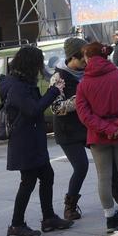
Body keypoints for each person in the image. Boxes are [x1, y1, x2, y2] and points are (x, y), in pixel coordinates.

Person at [0, 46, 74, 236]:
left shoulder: (23, 82)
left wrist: (52, 90)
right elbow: (33, 110)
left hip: (32, 140)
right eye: (38, 63)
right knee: (28, 182)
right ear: (31, 64)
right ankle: (16, 225)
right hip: (25, 143)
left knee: (47, 176)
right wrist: (53, 91)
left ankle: (48, 217)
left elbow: (35, 106)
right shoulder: (16, 86)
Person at [75, 42, 118, 233]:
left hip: (98, 136)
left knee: (103, 177)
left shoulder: (84, 84)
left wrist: (105, 128)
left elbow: (84, 114)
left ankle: (110, 219)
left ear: (88, 58)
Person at [51, 37, 91, 220]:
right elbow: (56, 108)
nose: (86, 61)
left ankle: (116, 190)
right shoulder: (58, 77)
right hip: (68, 130)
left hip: (89, 125)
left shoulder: (89, 71)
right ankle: (70, 206)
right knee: (81, 166)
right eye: (83, 58)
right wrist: (79, 100)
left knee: (108, 157)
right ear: (72, 57)